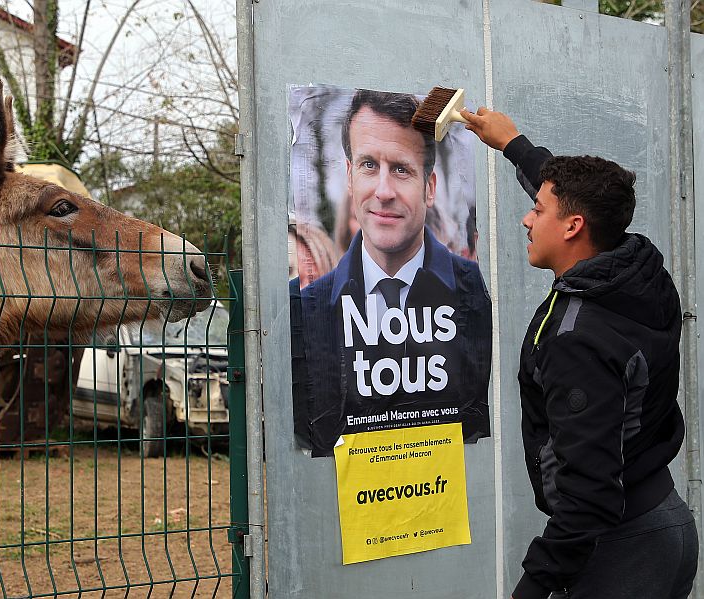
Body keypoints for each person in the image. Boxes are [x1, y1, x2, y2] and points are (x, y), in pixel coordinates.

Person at [462, 106, 699, 599]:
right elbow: (586, 197)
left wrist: (535, 585)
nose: (527, 218)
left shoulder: (578, 340)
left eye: (539, 211)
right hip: (666, 522)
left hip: (622, 550)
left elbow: (588, 496)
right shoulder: (639, 267)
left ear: (572, 227)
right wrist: (514, 145)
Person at [289, 89, 492, 457]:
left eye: (401, 169)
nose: (383, 191)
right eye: (369, 165)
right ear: (350, 177)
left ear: (429, 188)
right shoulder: (306, 308)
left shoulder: (477, 292)